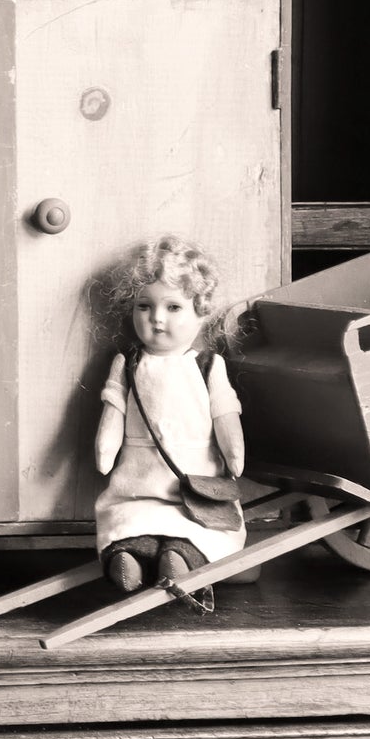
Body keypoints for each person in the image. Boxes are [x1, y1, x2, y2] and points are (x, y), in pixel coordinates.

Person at [93, 236, 249, 592]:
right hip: (138, 481)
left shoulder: (209, 365)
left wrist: (233, 452)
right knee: (129, 521)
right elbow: (113, 408)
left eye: (173, 307)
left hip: (193, 484)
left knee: (197, 530)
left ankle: (178, 558)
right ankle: (128, 557)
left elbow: (225, 413)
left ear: (201, 310)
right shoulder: (128, 363)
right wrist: (106, 449)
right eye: (144, 306)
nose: (157, 318)